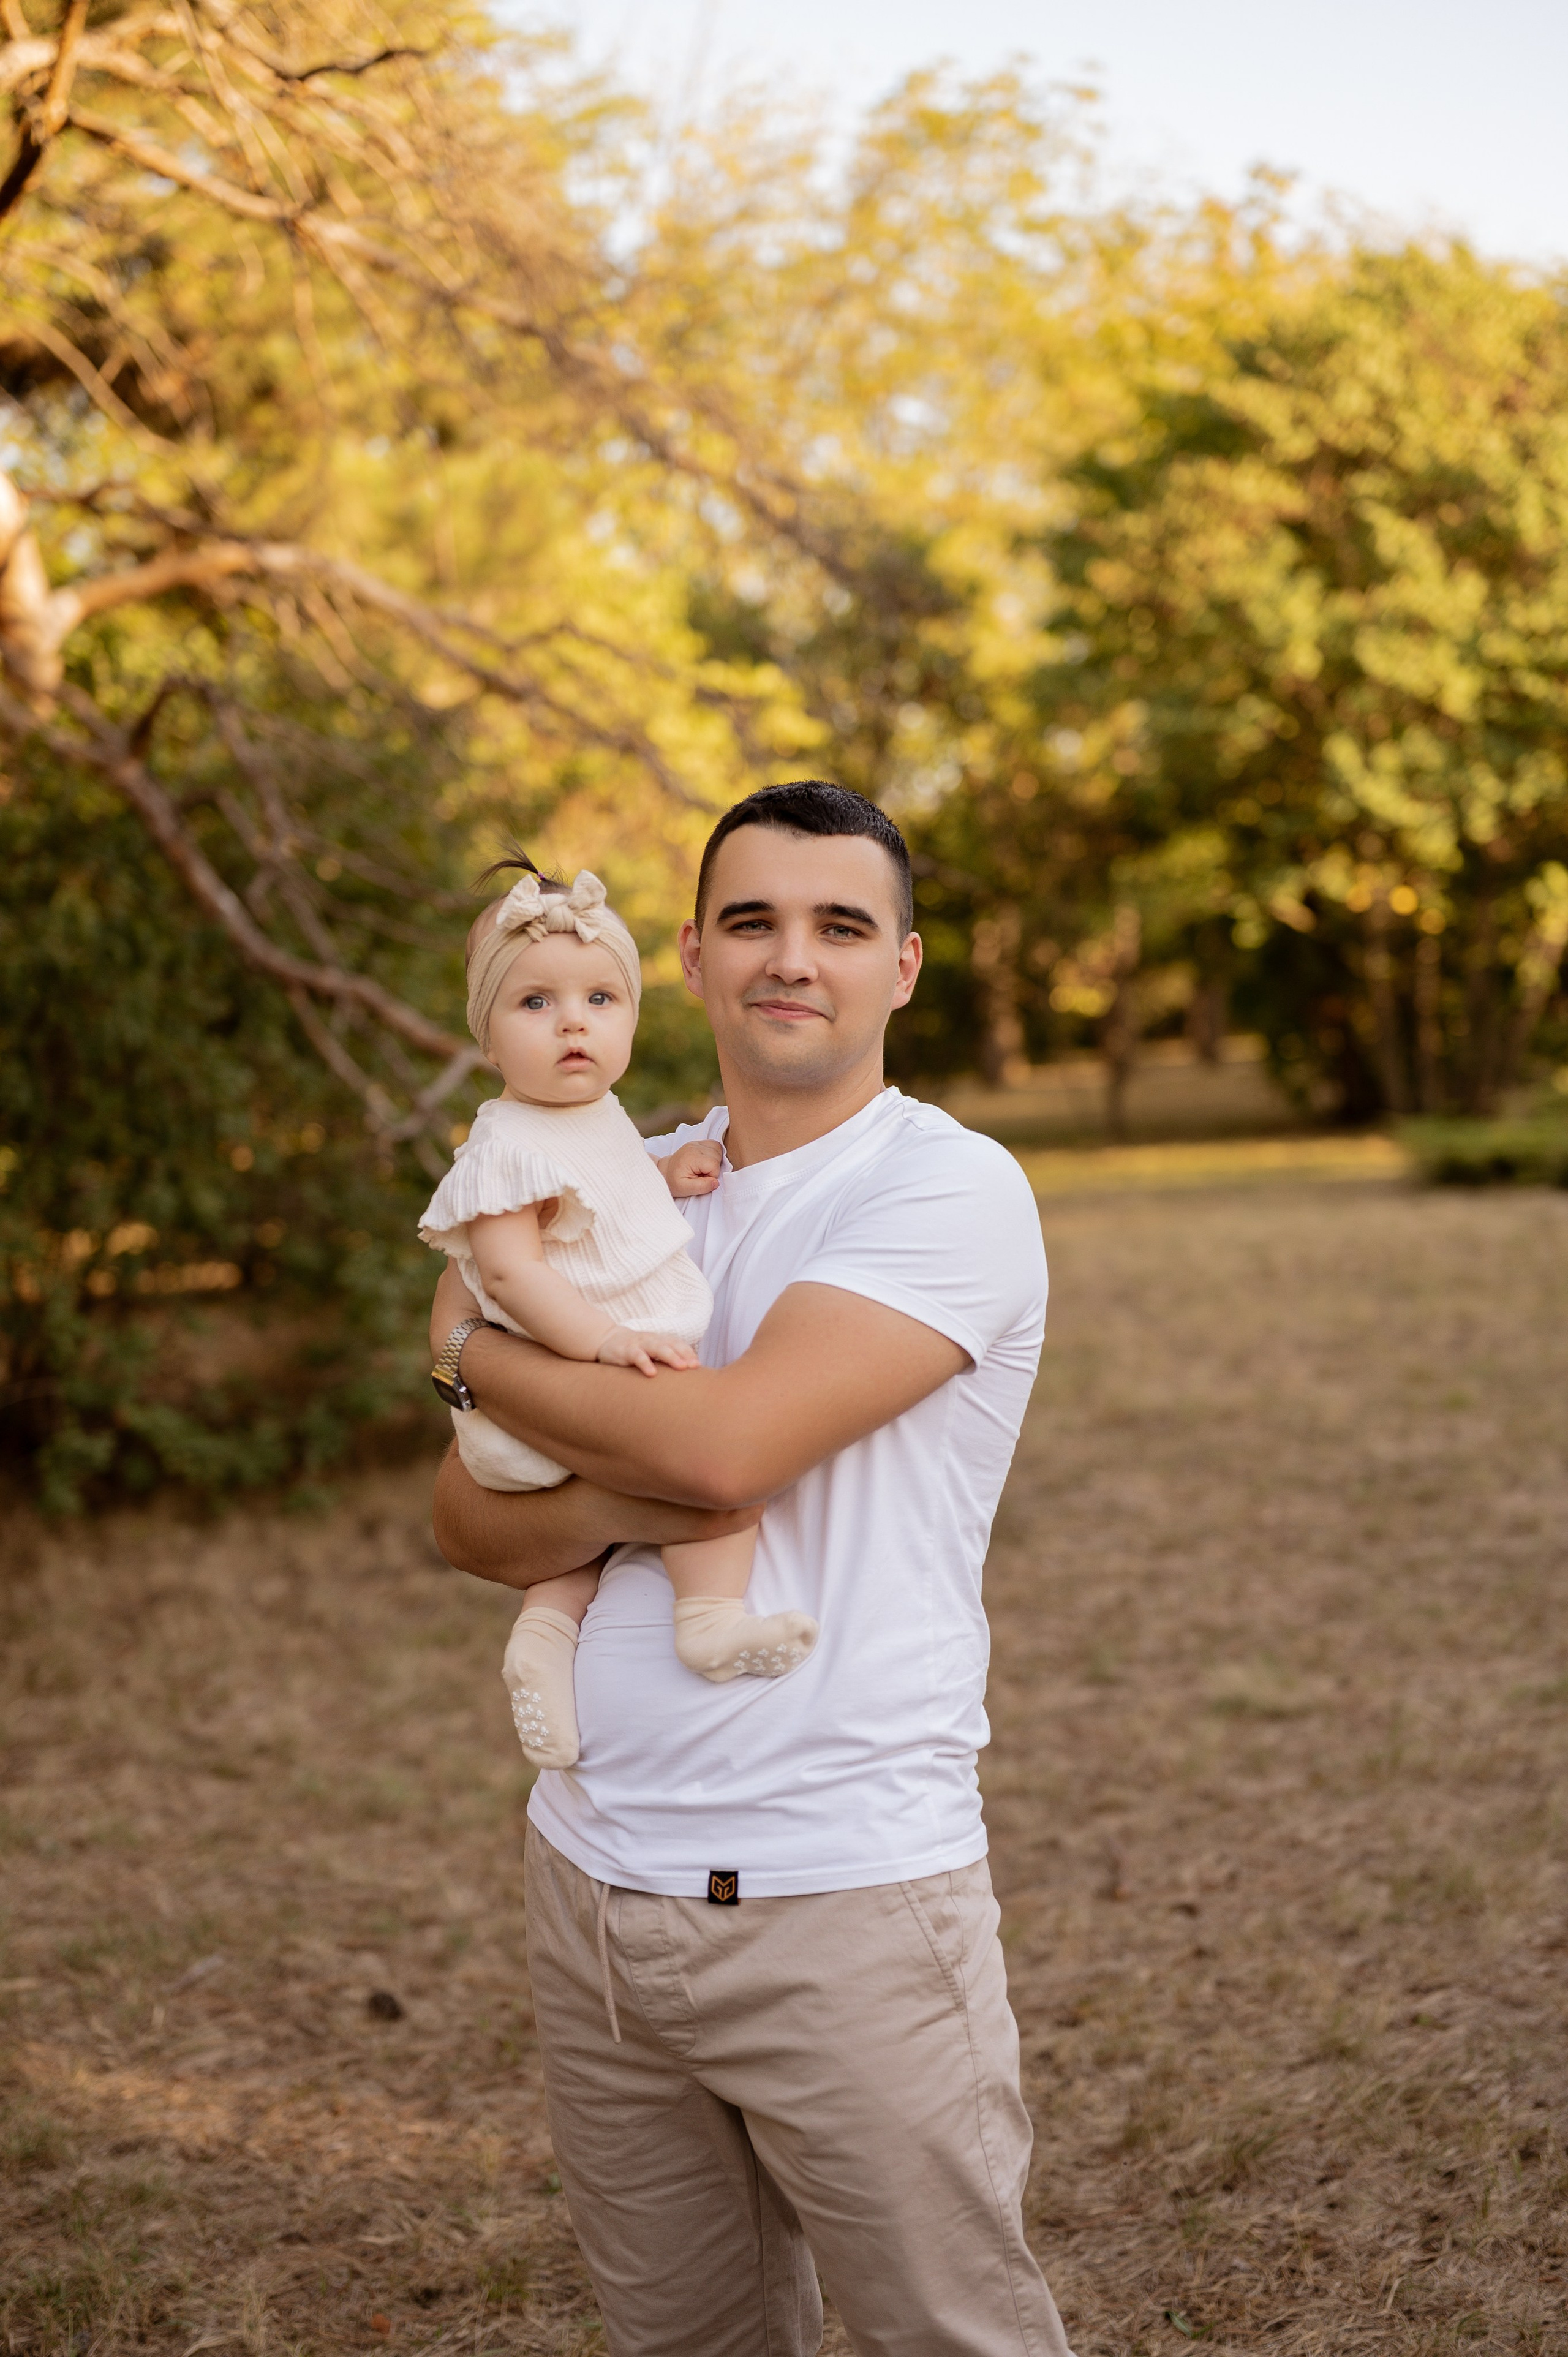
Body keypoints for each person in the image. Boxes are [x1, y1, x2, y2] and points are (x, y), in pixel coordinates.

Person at [429, 781, 1076, 2357]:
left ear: (901, 968)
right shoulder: (623, 1180)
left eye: (838, 926)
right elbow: (462, 1526)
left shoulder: (945, 1189)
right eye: (752, 922)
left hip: (837, 1897)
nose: (793, 958)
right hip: (591, 1894)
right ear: (694, 956)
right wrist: (609, 1480)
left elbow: (720, 1455)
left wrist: (462, 1347)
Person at [418, 861, 817, 1771]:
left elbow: (606, 1184)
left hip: (533, 1398)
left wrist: (662, 1178)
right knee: (704, 1460)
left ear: (632, 1018)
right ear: (485, 1035)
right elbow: (511, 1275)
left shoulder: (592, 1119)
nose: (573, 1023)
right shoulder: (505, 1145)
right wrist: (604, 1343)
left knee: (578, 1556)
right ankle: (709, 1619)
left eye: (601, 998)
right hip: (560, 1384)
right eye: (534, 1004)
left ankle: (543, 1645)